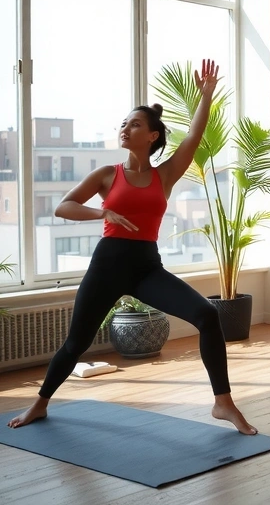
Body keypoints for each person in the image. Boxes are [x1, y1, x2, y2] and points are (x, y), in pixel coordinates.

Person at [7, 60, 256, 434]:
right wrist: (103, 210)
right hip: (108, 264)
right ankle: (40, 404)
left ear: (152, 136)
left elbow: (193, 135)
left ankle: (223, 403)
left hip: (146, 267)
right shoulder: (108, 174)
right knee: (76, 343)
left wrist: (206, 96)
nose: (125, 128)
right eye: (123, 123)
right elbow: (63, 206)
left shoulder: (165, 174)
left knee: (206, 315)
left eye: (134, 124)